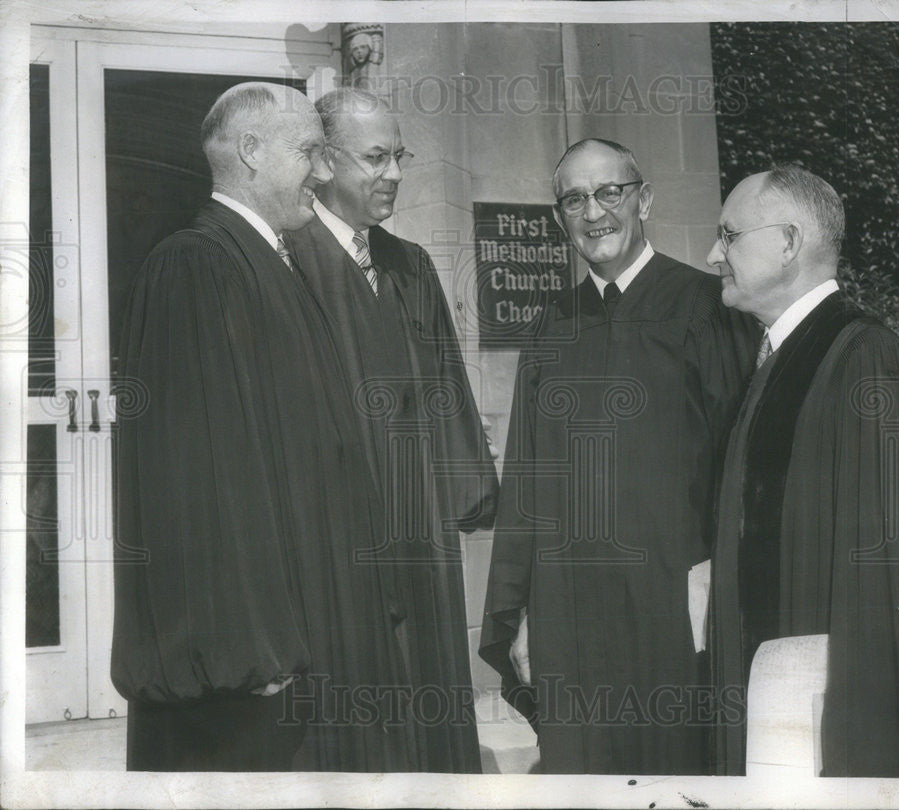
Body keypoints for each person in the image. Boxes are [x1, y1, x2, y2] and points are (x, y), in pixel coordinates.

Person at [111, 82, 411, 771]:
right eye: (309, 150)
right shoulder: (195, 264)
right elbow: (194, 478)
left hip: (313, 625)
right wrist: (245, 647)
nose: (325, 171)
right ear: (249, 151)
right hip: (255, 669)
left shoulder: (268, 262)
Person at [478, 138, 759, 774]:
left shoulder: (706, 307)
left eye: (611, 192)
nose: (594, 211)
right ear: (559, 217)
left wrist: (718, 579)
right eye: (574, 199)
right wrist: (518, 611)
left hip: (673, 600)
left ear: (645, 200)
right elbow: (527, 476)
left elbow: (741, 467)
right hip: (569, 614)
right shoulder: (552, 321)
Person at [708, 165, 899, 777]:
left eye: (728, 234)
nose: (711, 252)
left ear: (789, 241)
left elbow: (892, 574)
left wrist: (862, 736)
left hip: (832, 709)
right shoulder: (777, 360)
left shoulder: (863, 355)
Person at [284, 87, 499, 773]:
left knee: (429, 698)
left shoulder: (409, 265)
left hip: (420, 529)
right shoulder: (287, 262)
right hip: (337, 534)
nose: (395, 174)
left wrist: (466, 496)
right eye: (375, 158)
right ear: (323, 161)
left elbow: (446, 394)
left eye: (399, 156)